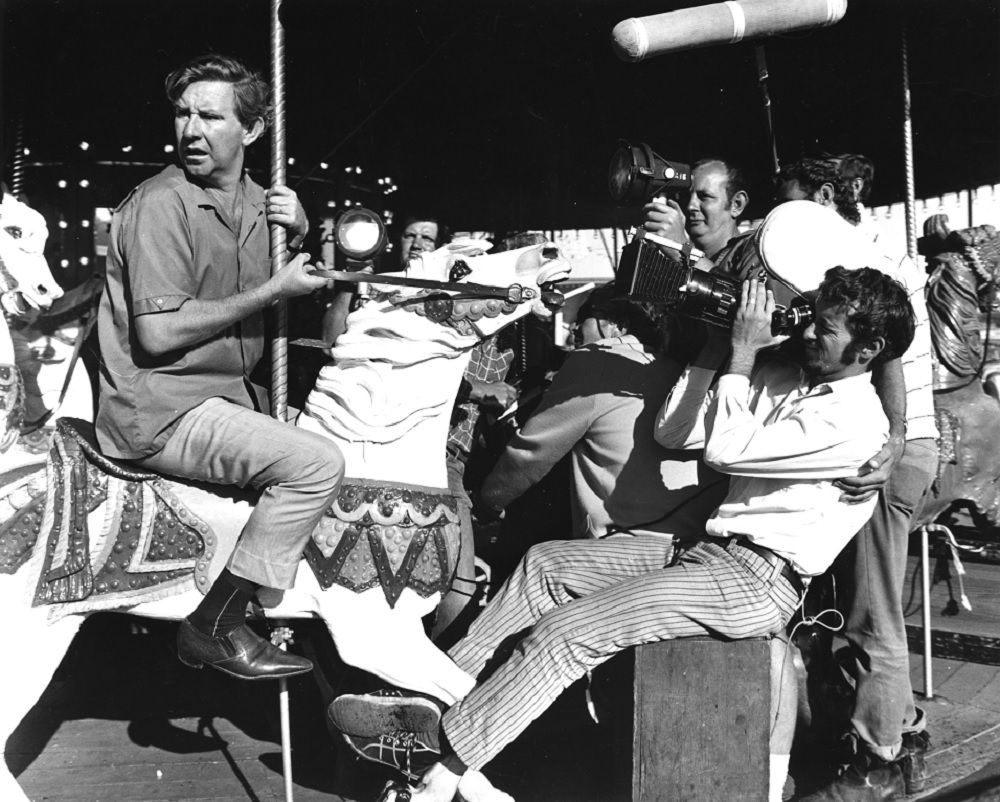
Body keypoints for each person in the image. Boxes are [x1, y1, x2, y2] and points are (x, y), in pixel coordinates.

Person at [329, 268, 915, 802]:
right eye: (813, 319)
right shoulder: (788, 378)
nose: (808, 332)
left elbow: (725, 449)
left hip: (756, 581)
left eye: (826, 330)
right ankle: (427, 700)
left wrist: (741, 353)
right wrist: (716, 349)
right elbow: (677, 432)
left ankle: (439, 764)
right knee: (545, 566)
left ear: (868, 350)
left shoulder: (856, 423)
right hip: (705, 553)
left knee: (568, 633)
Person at [96, 54, 344, 680]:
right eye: (183, 114)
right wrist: (273, 290)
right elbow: (157, 334)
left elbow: (292, 289)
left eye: (210, 116)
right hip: (163, 406)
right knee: (316, 463)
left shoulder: (265, 206)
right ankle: (216, 623)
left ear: (252, 130)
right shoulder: (161, 203)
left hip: (229, 394)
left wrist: (301, 234)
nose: (191, 130)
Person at [777, 158, 938, 799]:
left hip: (886, 452)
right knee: (864, 611)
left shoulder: (860, 267)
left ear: (822, 198)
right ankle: (902, 732)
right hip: (892, 445)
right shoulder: (865, 256)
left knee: (873, 618)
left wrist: (892, 440)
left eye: (792, 205)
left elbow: (885, 355)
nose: (782, 223)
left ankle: (877, 765)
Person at [476, 282, 726, 540]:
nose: (574, 328)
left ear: (616, 324)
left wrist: (488, 502)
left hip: (625, 537)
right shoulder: (674, 367)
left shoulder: (597, 358)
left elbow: (532, 453)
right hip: (690, 534)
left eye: (583, 317)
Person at [641, 157, 750, 262]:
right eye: (685, 196)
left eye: (704, 196)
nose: (690, 206)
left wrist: (681, 249)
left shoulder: (753, 252)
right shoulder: (673, 257)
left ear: (737, 204)